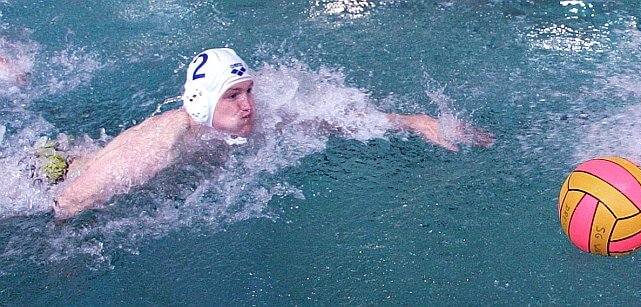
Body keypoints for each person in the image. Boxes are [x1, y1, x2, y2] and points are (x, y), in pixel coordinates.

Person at [52, 48, 492, 221]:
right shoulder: (161, 146)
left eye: (249, 91)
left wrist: (417, 121)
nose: (247, 106)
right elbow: (69, 201)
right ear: (201, 104)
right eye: (232, 96)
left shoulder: (258, 117)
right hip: (51, 173)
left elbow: (338, 117)